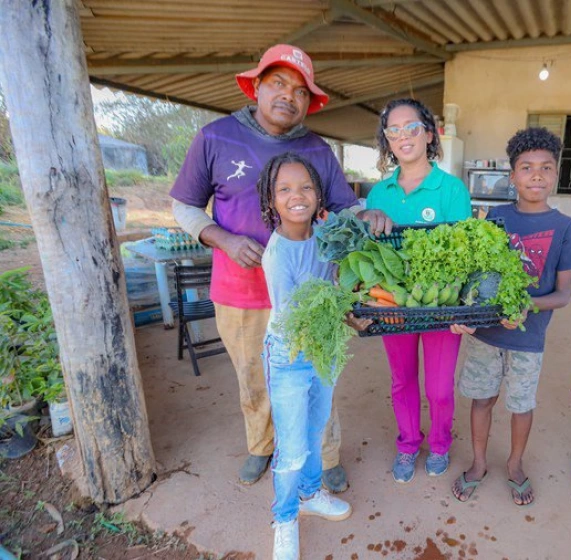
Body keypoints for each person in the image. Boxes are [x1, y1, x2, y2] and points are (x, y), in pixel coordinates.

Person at [170, 44, 391, 487]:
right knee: (255, 378)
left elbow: (342, 211)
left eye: (300, 91)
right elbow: (184, 207)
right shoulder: (215, 137)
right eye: (278, 83)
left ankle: (326, 456)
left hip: (310, 292)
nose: (289, 96)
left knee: (316, 376)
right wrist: (225, 240)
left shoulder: (318, 149)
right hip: (240, 291)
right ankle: (262, 447)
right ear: (255, 86)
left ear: (309, 102)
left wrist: (366, 214)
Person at [450, 128, 571, 506]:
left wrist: (529, 306)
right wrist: (467, 313)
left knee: (521, 405)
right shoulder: (496, 217)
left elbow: (562, 295)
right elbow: (477, 275)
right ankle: (478, 463)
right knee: (481, 400)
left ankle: (514, 463)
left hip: (529, 338)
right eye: (527, 168)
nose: (536, 175)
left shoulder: (566, 228)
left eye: (546, 168)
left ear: (556, 174)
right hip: (486, 335)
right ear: (513, 176)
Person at [257, 152, 366, 560]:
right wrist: (349, 316)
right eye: (284, 189)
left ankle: (309, 493)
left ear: (319, 194)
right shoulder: (278, 254)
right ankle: (284, 519)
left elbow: (341, 280)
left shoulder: (327, 236)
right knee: (291, 445)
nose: (296, 196)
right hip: (290, 354)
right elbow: (298, 320)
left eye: (305, 187)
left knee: (317, 429)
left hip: (325, 350)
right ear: (271, 201)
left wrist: (356, 303)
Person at [365, 98, 472, 482]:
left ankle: (440, 443)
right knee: (402, 380)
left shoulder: (451, 190)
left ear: (429, 133)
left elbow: (463, 255)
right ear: (387, 142)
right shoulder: (379, 194)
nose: (403, 136)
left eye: (412, 127)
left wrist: (462, 308)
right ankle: (408, 444)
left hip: (440, 304)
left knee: (440, 388)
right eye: (393, 131)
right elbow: (372, 255)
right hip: (395, 304)